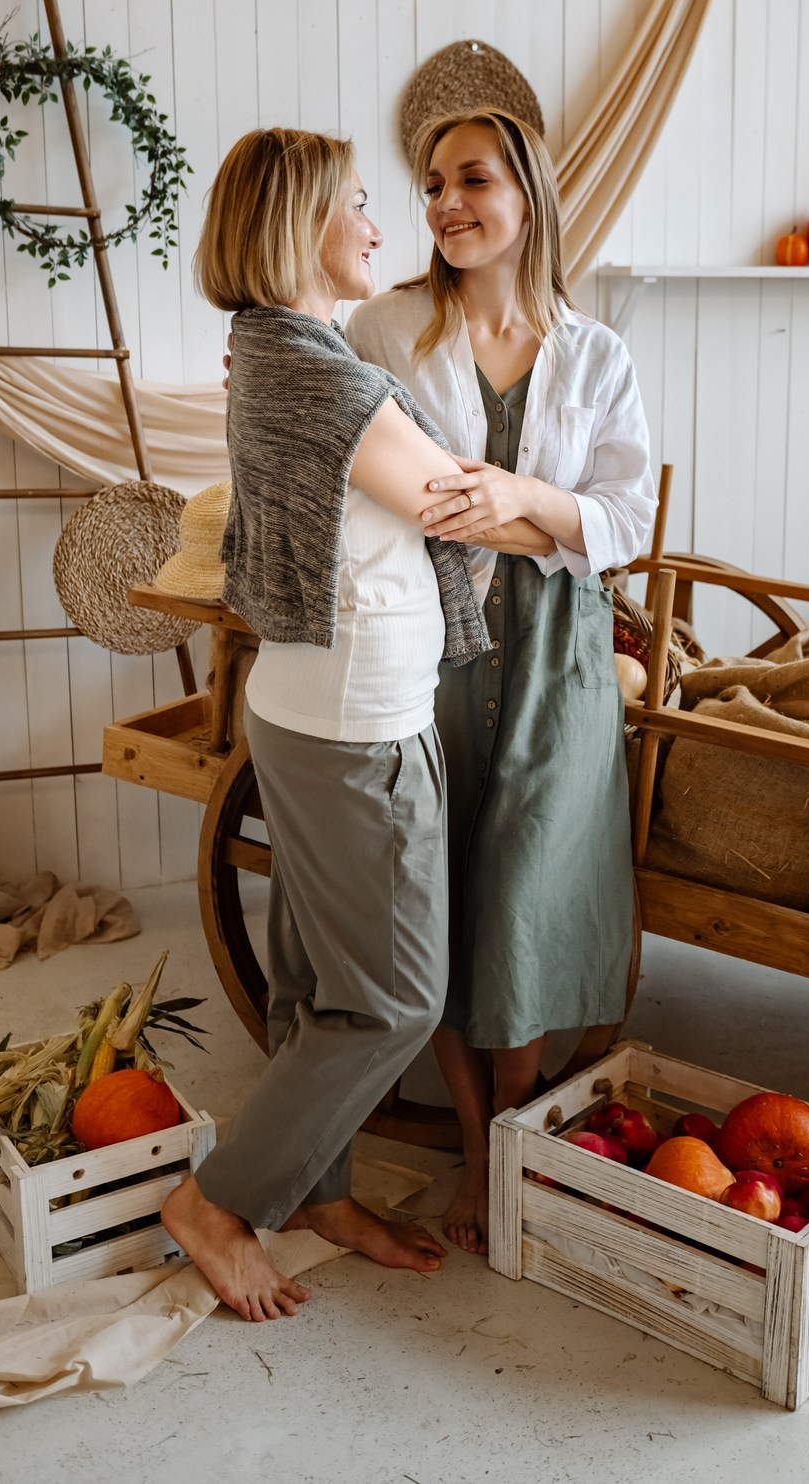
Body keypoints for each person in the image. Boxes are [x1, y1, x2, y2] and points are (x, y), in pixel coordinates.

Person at [162, 126, 511, 1320]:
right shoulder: (322, 372)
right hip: (356, 726)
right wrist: (542, 501)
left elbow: (426, 493)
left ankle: (316, 1189)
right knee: (397, 997)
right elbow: (449, 498)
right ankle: (221, 1202)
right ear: (299, 223)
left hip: (315, 713)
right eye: (359, 203)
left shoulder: (275, 350)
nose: (379, 224)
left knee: (319, 985)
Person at [347, 109, 657, 1254]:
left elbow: (625, 518)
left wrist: (521, 503)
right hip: (427, 639)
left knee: (520, 894)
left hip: (557, 657)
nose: (442, 203)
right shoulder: (384, 328)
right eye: (429, 184)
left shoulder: (596, 352)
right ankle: (482, 1151)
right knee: (445, 888)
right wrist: (533, 518)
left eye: (470, 178)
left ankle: (511, 1134)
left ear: (526, 192)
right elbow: (386, 490)